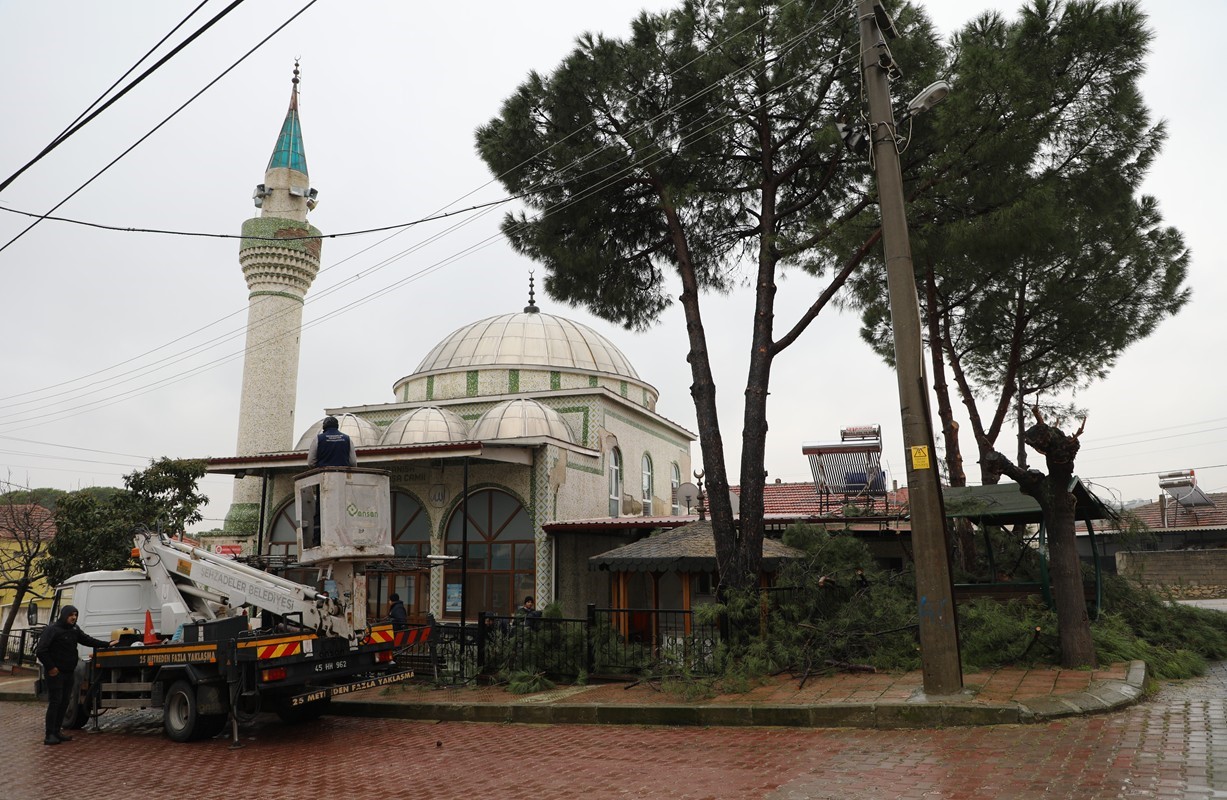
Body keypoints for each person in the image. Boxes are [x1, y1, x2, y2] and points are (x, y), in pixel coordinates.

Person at [35, 605, 112, 745]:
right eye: (71, 615)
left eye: (76, 615)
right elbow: (41, 650)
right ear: (64, 615)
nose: (74, 617)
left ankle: (57, 731)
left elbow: (87, 640)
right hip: (55, 674)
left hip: (69, 672)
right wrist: (51, 668)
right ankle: (49, 734)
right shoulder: (52, 630)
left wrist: (107, 644)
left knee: (65, 702)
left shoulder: (74, 630)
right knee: (55, 702)